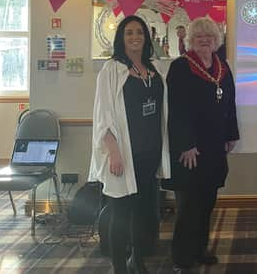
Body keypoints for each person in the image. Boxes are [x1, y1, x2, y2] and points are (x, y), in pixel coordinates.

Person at [89, 15, 171, 274]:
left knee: (143, 212)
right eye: (129, 33)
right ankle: (118, 267)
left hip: (150, 153)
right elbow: (103, 116)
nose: (135, 37)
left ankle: (137, 258)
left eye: (140, 32)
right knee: (120, 214)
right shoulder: (111, 70)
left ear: (146, 37)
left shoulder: (153, 68)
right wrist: (113, 151)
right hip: (123, 155)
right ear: (121, 38)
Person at [164, 17, 240, 273]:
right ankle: (182, 257)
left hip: (215, 146)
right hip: (190, 150)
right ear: (190, 41)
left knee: (207, 201)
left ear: (216, 40)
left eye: (209, 36)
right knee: (188, 205)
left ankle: (200, 249)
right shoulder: (181, 67)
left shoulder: (222, 66)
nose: (205, 40)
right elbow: (176, 110)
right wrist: (186, 144)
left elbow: (230, 104)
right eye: (199, 37)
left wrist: (231, 135)